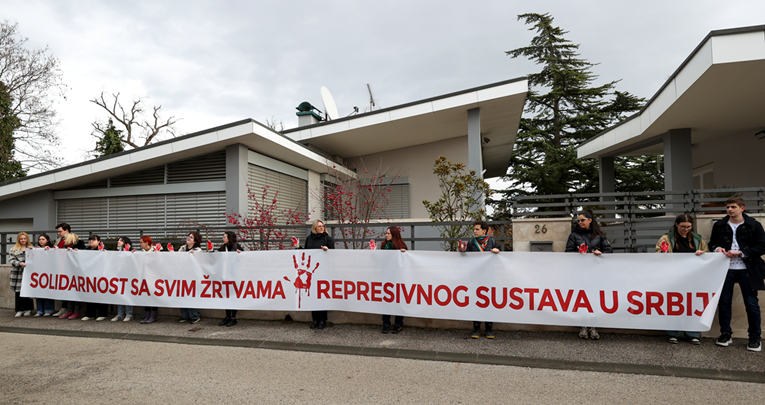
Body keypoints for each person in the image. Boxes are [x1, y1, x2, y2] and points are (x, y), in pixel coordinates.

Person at [709, 197, 765, 352]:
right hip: (725, 269)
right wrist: (717, 249)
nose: (729, 209)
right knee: (724, 302)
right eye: (727, 207)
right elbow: (712, 244)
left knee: (751, 303)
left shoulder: (754, 225)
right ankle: (725, 334)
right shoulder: (719, 225)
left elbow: (762, 246)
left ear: (742, 208)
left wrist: (741, 252)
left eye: (733, 207)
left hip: (748, 269)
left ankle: (755, 337)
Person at [655, 214, 708, 345]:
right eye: (683, 227)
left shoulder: (697, 239)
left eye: (689, 227)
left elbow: (708, 255)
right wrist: (663, 253)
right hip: (674, 277)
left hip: (693, 277)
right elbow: (657, 255)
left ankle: (693, 333)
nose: (686, 229)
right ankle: (673, 333)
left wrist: (702, 254)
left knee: (693, 305)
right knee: (674, 305)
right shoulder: (666, 238)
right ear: (676, 225)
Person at [565, 210, 612, 340]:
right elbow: (567, 253)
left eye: (582, 220)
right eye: (578, 221)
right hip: (580, 273)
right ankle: (583, 325)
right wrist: (578, 254)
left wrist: (599, 252)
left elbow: (609, 251)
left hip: (596, 273)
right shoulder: (573, 236)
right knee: (582, 300)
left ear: (590, 220)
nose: (580, 222)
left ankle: (593, 325)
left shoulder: (599, 235)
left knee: (594, 300)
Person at [463, 220, 500, 339]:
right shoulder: (471, 243)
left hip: (490, 278)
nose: (474, 231)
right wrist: (462, 250)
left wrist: (498, 252)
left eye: (477, 229)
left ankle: (489, 329)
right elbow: (465, 258)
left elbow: (500, 259)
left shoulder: (493, 242)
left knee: (489, 302)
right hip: (475, 277)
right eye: (474, 229)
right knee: (476, 302)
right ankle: (476, 328)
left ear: (484, 231)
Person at [304, 220, 334, 329]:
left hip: (323, 270)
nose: (321, 228)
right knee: (313, 296)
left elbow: (333, 254)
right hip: (311, 272)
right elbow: (306, 253)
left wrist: (328, 250)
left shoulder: (327, 238)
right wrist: (297, 247)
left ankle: (322, 319)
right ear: (314, 228)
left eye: (323, 226)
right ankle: (315, 319)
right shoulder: (309, 239)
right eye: (319, 226)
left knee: (321, 295)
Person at [380, 226, 408, 334]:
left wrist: (404, 254)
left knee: (398, 301)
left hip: (398, 277)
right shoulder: (383, 246)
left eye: (388, 233)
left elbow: (406, 261)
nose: (386, 235)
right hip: (386, 276)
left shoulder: (401, 246)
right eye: (386, 233)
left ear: (394, 235)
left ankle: (398, 324)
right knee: (386, 301)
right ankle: (386, 324)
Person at [218, 231, 245, 327]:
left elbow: (245, 258)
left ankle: (233, 317)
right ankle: (227, 316)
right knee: (226, 297)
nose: (223, 238)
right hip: (225, 276)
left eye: (224, 237)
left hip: (235, 276)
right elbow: (215, 258)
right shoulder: (222, 248)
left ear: (229, 238)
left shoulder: (237, 247)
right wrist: (211, 250)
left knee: (233, 296)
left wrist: (240, 254)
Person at [58, 232, 86, 320]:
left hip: (77, 273)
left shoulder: (80, 247)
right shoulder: (66, 248)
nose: (64, 240)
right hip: (67, 272)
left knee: (76, 292)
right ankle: (70, 310)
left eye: (66, 239)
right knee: (69, 291)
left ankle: (76, 311)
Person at [81, 235, 110, 321]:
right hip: (89, 276)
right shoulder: (86, 250)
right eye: (89, 240)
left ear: (98, 242)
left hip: (101, 276)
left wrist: (104, 252)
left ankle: (102, 314)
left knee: (101, 294)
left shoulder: (103, 249)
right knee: (89, 295)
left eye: (93, 240)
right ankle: (90, 314)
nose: (91, 242)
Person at [177, 231, 202, 324]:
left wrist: (193, 256)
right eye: (188, 236)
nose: (188, 238)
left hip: (192, 277)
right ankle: (185, 316)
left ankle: (194, 316)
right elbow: (176, 259)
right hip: (182, 276)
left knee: (191, 296)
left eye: (191, 237)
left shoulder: (198, 251)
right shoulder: (182, 248)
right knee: (182, 296)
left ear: (195, 241)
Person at [9, 232, 34, 318]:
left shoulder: (31, 248)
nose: (23, 240)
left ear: (27, 239)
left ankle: (28, 309)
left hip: (29, 274)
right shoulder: (13, 249)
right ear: (18, 240)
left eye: (25, 238)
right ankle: (19, 310)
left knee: (28, 291)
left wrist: (33, 250)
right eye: (21, 239)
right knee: (18, 292)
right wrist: (19, 263)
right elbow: (11, 260)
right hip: (18, 274)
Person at [114, 236, 138, 322]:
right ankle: (120, 314)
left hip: (128, 276)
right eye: (118, 240)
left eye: (121, 240)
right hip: (118, 276)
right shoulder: (116, 252)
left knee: (127, 295)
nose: (118, 241)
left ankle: (129, 314)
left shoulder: (131, 252)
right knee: (119, 294)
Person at [51, 223, 72, 317]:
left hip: (70, 268)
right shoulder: (59, 240)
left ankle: (69, 309)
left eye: (60, 231)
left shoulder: (74, 239)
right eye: (58, 232)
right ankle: (63, 308)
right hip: (60, 267)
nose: (58, 233)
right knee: (62, 289)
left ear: (66, 230)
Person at [34, 234, 56, 316]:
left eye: (43, 239)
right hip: (38, 273)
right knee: (38, 291)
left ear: (48, 240)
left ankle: (49, 309)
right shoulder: (36, 249)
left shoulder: (52, 249)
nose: (41, 241)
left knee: (48, 291)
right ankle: (39, 310)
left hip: (49, 273)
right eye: (40, 239)